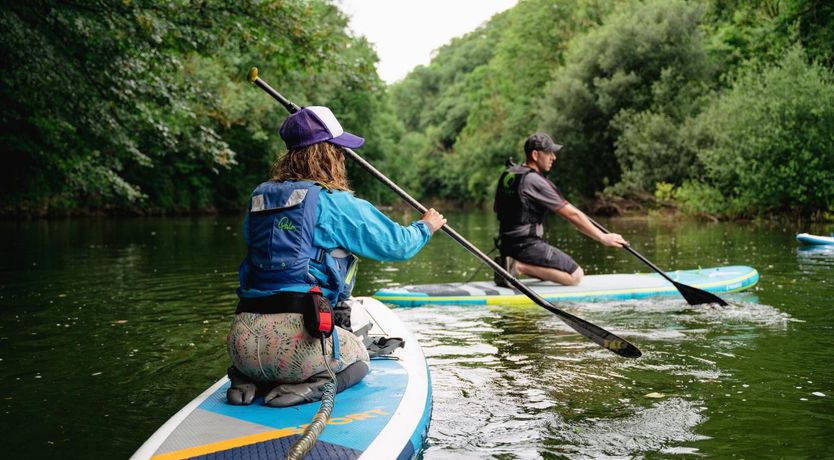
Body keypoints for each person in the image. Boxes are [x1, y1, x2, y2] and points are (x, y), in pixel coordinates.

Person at [226, 105, 446, 407]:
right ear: (327, 154)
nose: (343, 157)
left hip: (242, 345)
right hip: (296, 346)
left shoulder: (259, 200)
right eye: (339, 150)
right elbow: (397, 245)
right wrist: (426, 227)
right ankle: (313, 387)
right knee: (361, 358)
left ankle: (244, 380)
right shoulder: (335, 204)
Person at [493, 132, 626, 288]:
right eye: (549, 153)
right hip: (526, 245)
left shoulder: (509, 174)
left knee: (549, 272)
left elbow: (497, 208)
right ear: (535, 154)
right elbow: (572, 215)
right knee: (575, 275)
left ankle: (511, 262)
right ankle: (517, 267)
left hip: (506, 243)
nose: (553, 157)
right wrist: (603, 237)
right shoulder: (535, 180)